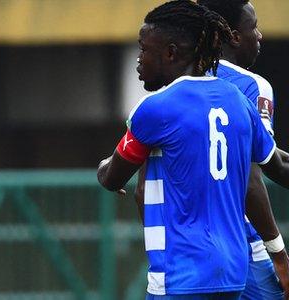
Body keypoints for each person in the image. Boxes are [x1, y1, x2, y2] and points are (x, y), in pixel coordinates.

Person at [97, 0, 289, 298]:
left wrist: (104, 165)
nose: (139, 60)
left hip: (181, 274)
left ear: (170, 52)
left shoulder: (155, 109)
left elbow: (113, 177)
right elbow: (276, 165)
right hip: (234, 272)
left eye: (144, 49)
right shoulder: (239, 100)